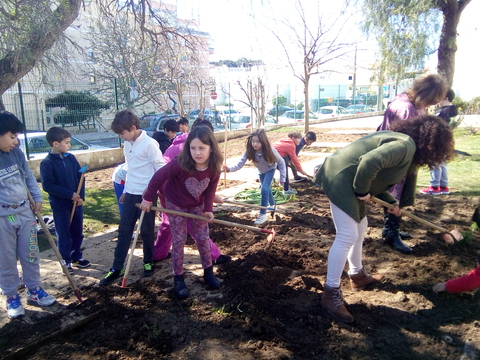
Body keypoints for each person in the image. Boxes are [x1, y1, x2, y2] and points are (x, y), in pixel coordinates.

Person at [314, 115, 454, 323]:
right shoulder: (405, 146)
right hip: (341, 177)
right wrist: (362, 191)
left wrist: (391, 202)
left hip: (349, 177)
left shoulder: (404, 145)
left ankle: (357, 275)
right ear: (431, 145)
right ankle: (330, 293)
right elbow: (369, 162)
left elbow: (379, 178)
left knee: (361, 227)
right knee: (347, 234)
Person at [140, 126, 223, 298]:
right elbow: (158, 178)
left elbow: (210, 190)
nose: (197, 152)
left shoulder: (214, 168)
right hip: (175, 202)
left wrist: (208, 209)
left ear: (211, 148)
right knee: (178, 240)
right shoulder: (180, 164)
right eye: (193, 148)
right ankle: (178, 278)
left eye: (202, 148)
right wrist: (147, 199)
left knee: (202, 237)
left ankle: (208, 273)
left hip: (197, 203)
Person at [377, 74, 448, 253]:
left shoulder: (416, 105)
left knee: (401, 195)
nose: (430, 105)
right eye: (430, 100)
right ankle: (391, 234)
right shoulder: (405, 107)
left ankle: (390, 229)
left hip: (408, 157)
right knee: (394, 195)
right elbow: (402, 137)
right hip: (397, 158)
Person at [99, 109, 165, 286]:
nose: (122, 137)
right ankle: (117, 267)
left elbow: (161, 169)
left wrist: (150, 195)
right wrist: (127, 190)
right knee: (124, 231)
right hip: (131, 193)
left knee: (146, 231)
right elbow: (130, 168)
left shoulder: (150, 144)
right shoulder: (127, 144)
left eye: (122, 133)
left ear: (133, 128)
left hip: (147, 195)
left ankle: (148, 262)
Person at [0, 111, 56, 319]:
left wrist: (37, 197)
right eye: (12, 137)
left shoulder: (16, 154)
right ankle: (11, 295)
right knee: (5, 259)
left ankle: (34, 290)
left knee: (31, 254)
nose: (15, 142)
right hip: (4, 218)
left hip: (25, 213)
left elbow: (28, 177)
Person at [154, 118, 230, 265]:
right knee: (192, 220)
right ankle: (213, 255)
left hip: (169, 187)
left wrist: (210, 194)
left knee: (168, 221)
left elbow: (198, 180)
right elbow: (187, 180)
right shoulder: (191, 150)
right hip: (171, 189)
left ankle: (157, 253)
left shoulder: (190, 144)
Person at [40, 127, 91, 275]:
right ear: (56, 143)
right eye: (67, 142)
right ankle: (65, 261)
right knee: (64, 234)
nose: (69, 145)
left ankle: (76, 257)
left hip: (76, 202)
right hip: (61, 205)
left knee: (77, 232)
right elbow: (48, 185)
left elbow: (80, 177)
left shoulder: (71, 158)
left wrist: (80, 197)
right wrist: (70, 195)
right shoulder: (47, 163)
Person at [223, 129, 286, 225]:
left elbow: (281, 162)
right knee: (267, 189)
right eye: (253, 141)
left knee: (264, 189)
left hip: (270, 169)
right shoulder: (250, 151)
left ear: (263, 142)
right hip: (261, 171)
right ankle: (273, 205)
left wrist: (282, 178)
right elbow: (240, 164)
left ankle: (262, 214)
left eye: (258, 141)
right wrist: (229, 169)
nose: (255, 144)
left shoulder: (270, 150)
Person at [421, 88, 458, 195]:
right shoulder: (452, 111)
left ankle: (434, 187)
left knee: (435, 162)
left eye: (440, 98)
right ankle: (443, 186)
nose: (437, 101)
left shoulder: (445, 112)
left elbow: (438, 126)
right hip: (447, 141)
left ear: (446, 98)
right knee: (442, 163)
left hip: (439, 141)